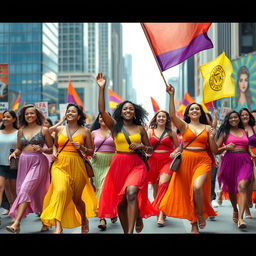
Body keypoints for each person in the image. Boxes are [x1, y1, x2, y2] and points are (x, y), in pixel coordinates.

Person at [96, 72, 158, 234]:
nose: (128, 111)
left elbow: (150, 149)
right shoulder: (115, 126)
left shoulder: (140, 129)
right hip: (119, 164)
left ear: (135, 112)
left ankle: (130, 232)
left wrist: (141, 147)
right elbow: (102, 111)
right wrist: (102, 88)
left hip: (137, 164)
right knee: (121, 202)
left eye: (131, 108)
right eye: (125, 109)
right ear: (121, 112)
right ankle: (129, 227)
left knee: (131, 193)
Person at [159, 84, 218, 234]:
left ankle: (199, 215)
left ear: (201, 112)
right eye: (191, 109)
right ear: (188, 113)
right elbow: (172, 115)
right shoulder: (184, 126)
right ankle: (194, 224)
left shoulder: (208, 128)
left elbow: (214, 150)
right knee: (188, 192)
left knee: (197, 187)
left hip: (203, 160)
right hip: (186, 160)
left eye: (197, 108)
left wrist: (211, 137)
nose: (194, 110)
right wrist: (172, 95)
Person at [40, 103, 97, 234]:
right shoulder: (59, 129)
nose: (70, 113)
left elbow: (90, 151)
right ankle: (58, 227)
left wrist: (81, 147)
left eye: (73, 111)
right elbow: (53, 141)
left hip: (77, 165)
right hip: (59, 164)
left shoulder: (85, 131)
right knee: (60, 191)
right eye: (68, 111)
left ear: (79, 115)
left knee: (76, 199)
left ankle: (84, 219)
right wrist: (54, 151)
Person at [6, 105, 53, 233]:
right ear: (23, 116)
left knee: (26, 189)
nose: (29, 116)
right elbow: (19, 148)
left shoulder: (44, 130)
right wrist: (14, 153)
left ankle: (16, 223)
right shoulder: (21, 130)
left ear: (37, 115)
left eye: (32, 113)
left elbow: (51, 149)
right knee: (37, 192)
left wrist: (42, 149)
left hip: (39, 162)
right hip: (23, 162)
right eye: (27, 114)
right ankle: (45, 221)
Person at [216, 110, 253, 229]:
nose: (233, 119)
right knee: (232, 189)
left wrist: (252, 153)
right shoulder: (224, 132)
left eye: (236, 117)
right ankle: (235, 209)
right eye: (231, 118)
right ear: (228, 120)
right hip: (230, 161)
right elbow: (216, 149)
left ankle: (241, 218)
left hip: (245, 161)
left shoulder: (245, 131)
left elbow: (248, 148)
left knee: (242, 186)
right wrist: (226, 146)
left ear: (239, 119)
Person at [147, 110, 180, 226]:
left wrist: (174, 152)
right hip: (152, 162)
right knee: (156, 189)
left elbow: (179, 147)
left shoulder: (171, 132)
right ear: (156, 118)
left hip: (167, 161)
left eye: (163, 117)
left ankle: (160, 214)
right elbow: (146, 146)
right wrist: (146, 152)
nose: (161, 118)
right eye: (159, 116)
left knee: (163, 185)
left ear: (166, 119)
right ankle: (160, 209)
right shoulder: (149, 131)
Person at [90, 112, 117, 231]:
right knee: (100, 187)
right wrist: (91, 152)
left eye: (105, 117)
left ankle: (102, 217)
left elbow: (120, 147)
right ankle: (110, 212)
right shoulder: (93, 133)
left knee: (105, 187)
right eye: (100, 117)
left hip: (111, 162)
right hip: (97, 163)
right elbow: (89, 149)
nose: (102, 119)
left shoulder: (115, 132)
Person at [0, 111, 18, 220]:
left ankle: (14, 210)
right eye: (4, 117)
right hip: (0, 164)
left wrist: (15, 153)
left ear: (14, 119)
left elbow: (21, 148)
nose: (5, 118)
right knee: (0, 187)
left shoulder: (18, 132)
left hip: (13, 164)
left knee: (12, 190)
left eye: (8, 117)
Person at [239, 108, 256, 217]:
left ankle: (249, 201)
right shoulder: (237, 129)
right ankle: (245, 211)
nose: (245, 116)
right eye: (242, 115)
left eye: (247, 115)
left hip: (255, 157)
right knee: (244, 184)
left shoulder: (253, 127)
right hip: (243, 158)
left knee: (252, 183)